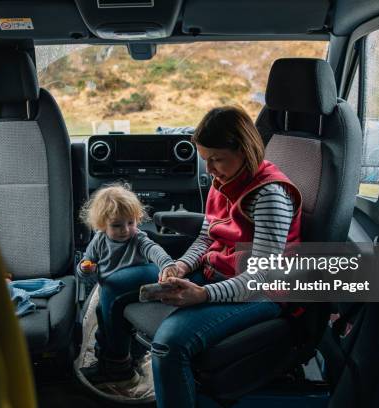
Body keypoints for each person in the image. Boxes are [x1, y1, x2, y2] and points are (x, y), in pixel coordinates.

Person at [81, 106, 302, 408]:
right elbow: (208, 236)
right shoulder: (223, 181)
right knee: (114, 284)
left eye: (216, 159)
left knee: (169, 344)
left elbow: (263, 277)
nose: (209, 169)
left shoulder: (269, 194)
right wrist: (182, 265)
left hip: (260, 292)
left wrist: (203, 295)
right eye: (205, 160)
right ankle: (116, 365)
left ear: (244, 149)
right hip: (215, 272)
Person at [78, 184, 179, 386]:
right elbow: (86, 263)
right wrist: (85, 269)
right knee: (104, 317)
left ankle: (120, 366)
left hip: (140, 281)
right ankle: (115, 356)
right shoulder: (98, 241)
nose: (125, 230)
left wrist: (167, 264)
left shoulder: (138, 237)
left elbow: (153, 249)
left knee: (115, 305)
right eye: (116, 225)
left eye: (131, 222)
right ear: (102, 225)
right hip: (113, 289)